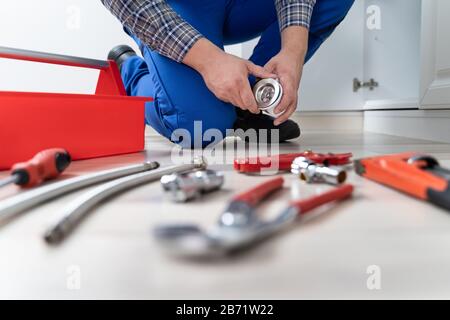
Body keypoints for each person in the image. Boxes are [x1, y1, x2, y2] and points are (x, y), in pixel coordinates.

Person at [102, 0, 355, 147]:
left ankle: (248, 103)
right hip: (168, 9)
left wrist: (293, 49)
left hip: (242, 6)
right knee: (197, 129)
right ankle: (130, 73)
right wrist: (208, 61)